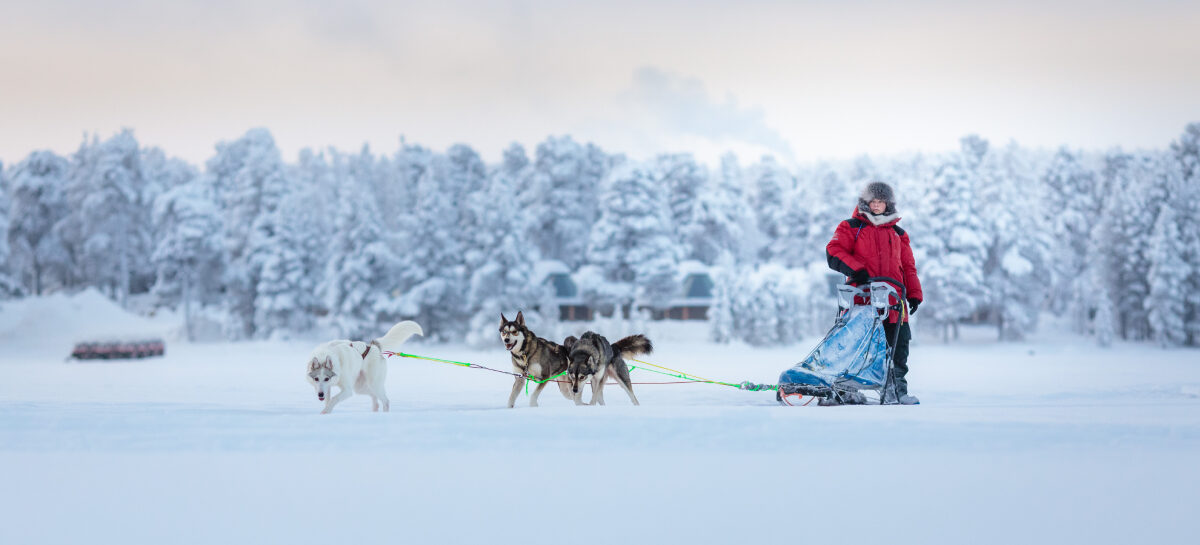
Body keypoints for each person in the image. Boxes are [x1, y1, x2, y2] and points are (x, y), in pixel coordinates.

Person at [825, 181, 923, 404]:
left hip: (894, 302)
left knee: (898, 349)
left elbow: (907, 266)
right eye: (873, 201)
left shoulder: (899, 233)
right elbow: (834, 251)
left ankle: (896, 391)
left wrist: (915, 293)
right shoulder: (851, 226)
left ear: (888, 204)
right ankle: (845, 389)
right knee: (854, 347)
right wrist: (856, 270)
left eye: (881, 201)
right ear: (866, 203)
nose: (877, 205)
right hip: (861, 301)